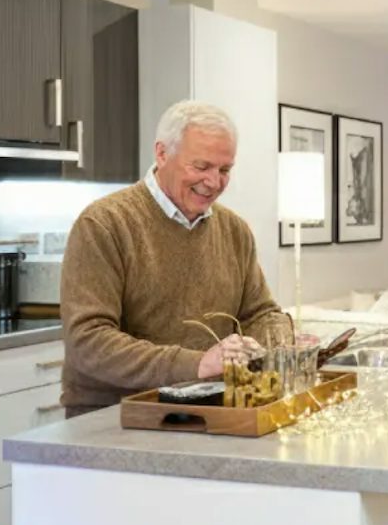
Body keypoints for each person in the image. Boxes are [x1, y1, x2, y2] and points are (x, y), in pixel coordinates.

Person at [60, 100, 291, 413]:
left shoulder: (234, 230)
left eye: (225, 170)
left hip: (207, 409)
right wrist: (198, 363)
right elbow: (88, 342)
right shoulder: (104, 224)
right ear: (161, 153)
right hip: (115, 415)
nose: (214, 182)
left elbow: (259, 312)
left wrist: (278, 341)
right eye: (201, 166)